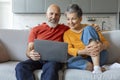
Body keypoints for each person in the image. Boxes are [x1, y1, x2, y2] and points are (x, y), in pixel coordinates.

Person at [15, 4, 101, 80]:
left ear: (59, 16)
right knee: (20, 67)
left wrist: (94, 26)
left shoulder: (65, 29)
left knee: (51, 68)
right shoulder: (36, 29)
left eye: (57, 14)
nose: (54, 17)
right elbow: (29, 49)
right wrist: (30, 54)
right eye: (51, 14)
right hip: (37, 59)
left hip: (53, 61)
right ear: (46, 15)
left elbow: (78, 26)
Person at [63, 4, 110, 74]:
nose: (70, 22)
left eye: (73, 19)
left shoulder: (90, 28)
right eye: (68, 19)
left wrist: (102, 46)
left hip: (99, 56)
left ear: (80, 19)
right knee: (68, 62)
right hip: (83, 58)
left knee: (88, 29)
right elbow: (69, 49)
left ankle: (96, 67)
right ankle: (97, 67)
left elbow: (106, 43)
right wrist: (84, 51)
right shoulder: (67, 34)